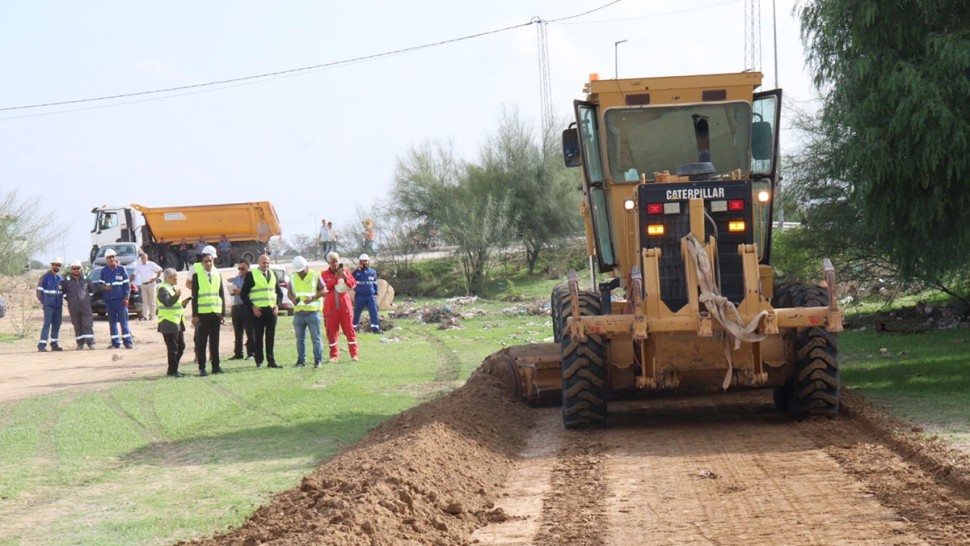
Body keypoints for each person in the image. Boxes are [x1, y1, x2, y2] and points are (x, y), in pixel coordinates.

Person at [241, 254, 283, 369]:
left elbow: (280, 293)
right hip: (258, 311)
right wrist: (252, 307)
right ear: (259, 263)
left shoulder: (273, 274)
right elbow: (243, 294)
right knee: (258, 337)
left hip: (271, 310)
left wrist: (277, 306)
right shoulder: (252, 275)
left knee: (270, 337)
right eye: (264, 263)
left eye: (268, 263)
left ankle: (271, 360)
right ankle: (259, 361)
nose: (266, 265)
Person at [191, 245, 225, 376]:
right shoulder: (197, 276)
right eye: (206, 261)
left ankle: (216, 366)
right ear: (202, 263)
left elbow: (221, 294)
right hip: (203, 314)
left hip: (215, 313)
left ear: (213, 261)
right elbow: (194, 297)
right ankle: (202, 367)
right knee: (202, 342)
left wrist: (222, 313)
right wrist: (195, 315)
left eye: (210, 261)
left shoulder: (217, 274)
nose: (208, 263)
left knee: (215, 342)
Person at [287, 255, 325, 368]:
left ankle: (318, 361)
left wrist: (313, 298)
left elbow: (324, 290)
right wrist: (292, 298)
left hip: (313, 312)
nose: (300, 273)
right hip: (299, 312)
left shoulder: (315, 275)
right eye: (298, 271)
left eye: (301, 270)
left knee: (316, 338)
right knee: (300, 339)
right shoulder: (293, 276)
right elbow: (289, 292)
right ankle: (300, 361)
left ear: (306, 266)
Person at [321, 252, 358, 362]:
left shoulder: (345, 272)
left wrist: (345, 278)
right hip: (331, 309)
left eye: (337, 261)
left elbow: (352, 285)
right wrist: (335, 279)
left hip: (345, 308)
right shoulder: (324, 275)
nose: (335, 264)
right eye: (333, 262)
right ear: (328, 263)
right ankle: (334, 355)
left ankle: (354, 354)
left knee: (350, 331)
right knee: (331, 332)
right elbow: (324, 288)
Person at [157, 268, 187, 377]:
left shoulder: (171, 288)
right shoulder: (163, 289)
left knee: (181, 346)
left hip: (176, 321)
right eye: (175, 276)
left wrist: (183, 303)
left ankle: (174, 369)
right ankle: (172, 371)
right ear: (169, 277)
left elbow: (174, 304)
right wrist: (176, 296)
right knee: (173, 348)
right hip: (168, 322)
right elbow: (167, 303)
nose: (177, 278)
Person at [100, 249, 133, 349]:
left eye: (113, 256)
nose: (112, 259)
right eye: (109, 257)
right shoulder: (104, 271)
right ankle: (115, 343)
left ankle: (127, 342)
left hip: (121, 300)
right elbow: (101, 285)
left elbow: (127, 285)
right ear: (106, 259)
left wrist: (126, 298)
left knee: (124, 321)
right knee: (112, 322)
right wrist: (105, 287)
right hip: (109, 301)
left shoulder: (122, 269)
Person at [61, 260, 96, 349]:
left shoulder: (86, 280)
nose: (76, 270)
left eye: (78, 268)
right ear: (71, 269)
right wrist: (70, 300)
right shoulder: (66, 281)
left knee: (87, 324)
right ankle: (80, 343)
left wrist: (87, 301)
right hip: (73, 307)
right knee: (77, 324)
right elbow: (64, 293)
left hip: (86, 307)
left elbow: (92, 292)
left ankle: (90, 343)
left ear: (81, 269)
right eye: (74, 268)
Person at [36, 257, 65, 352]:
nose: (57, 267)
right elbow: (39, 291)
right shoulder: (45, 277)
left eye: (58, 265)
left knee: (57, 324)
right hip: (49, 305)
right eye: (55, 265)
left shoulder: (60, 278)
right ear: (52, 265)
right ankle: (42, 345)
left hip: (58, 306)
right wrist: (43, 302)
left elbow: (63, 291)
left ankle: (54, 344)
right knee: (47, 324)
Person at [228, 259, 254, 361]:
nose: (241, 271)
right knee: (237, 332)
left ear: (248, 267)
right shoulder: (237, 278)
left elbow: (251, 291)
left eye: (243, 268)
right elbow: (233, 290)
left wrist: (241, 291)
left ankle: (251, 353)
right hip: (236, 307)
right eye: (239, 268)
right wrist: (233, 291)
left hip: (246, 307)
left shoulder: (251, 278)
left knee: (250, 331)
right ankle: (238, 353)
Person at [352, 254, 381, 334]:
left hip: (370, 296)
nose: (364, 263)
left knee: (374, 312)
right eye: (362, 261)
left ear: (368, 262)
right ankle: (353, 328)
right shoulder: (356, 272)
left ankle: (375, 328)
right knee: (357, 312)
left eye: (366, 261)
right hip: (360, 296)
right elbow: (350, 281)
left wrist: (375, 293)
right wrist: (356, 270)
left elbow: (375, 283)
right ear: (359, 262)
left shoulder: (372, 272)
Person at [133, 251, 162, 321]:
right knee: (144, 301)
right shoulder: (139, 265)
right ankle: (145, 315)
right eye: (142, 258)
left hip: (151, 284)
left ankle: (152, 315)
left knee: (152, 300)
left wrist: (155, 278)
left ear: (147, 258)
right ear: (141, 258)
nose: (144, 259)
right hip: (143, 284)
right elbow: (134, 274)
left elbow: (160, 269)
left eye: (145, 257)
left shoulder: (151, 264)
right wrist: (129, 281)